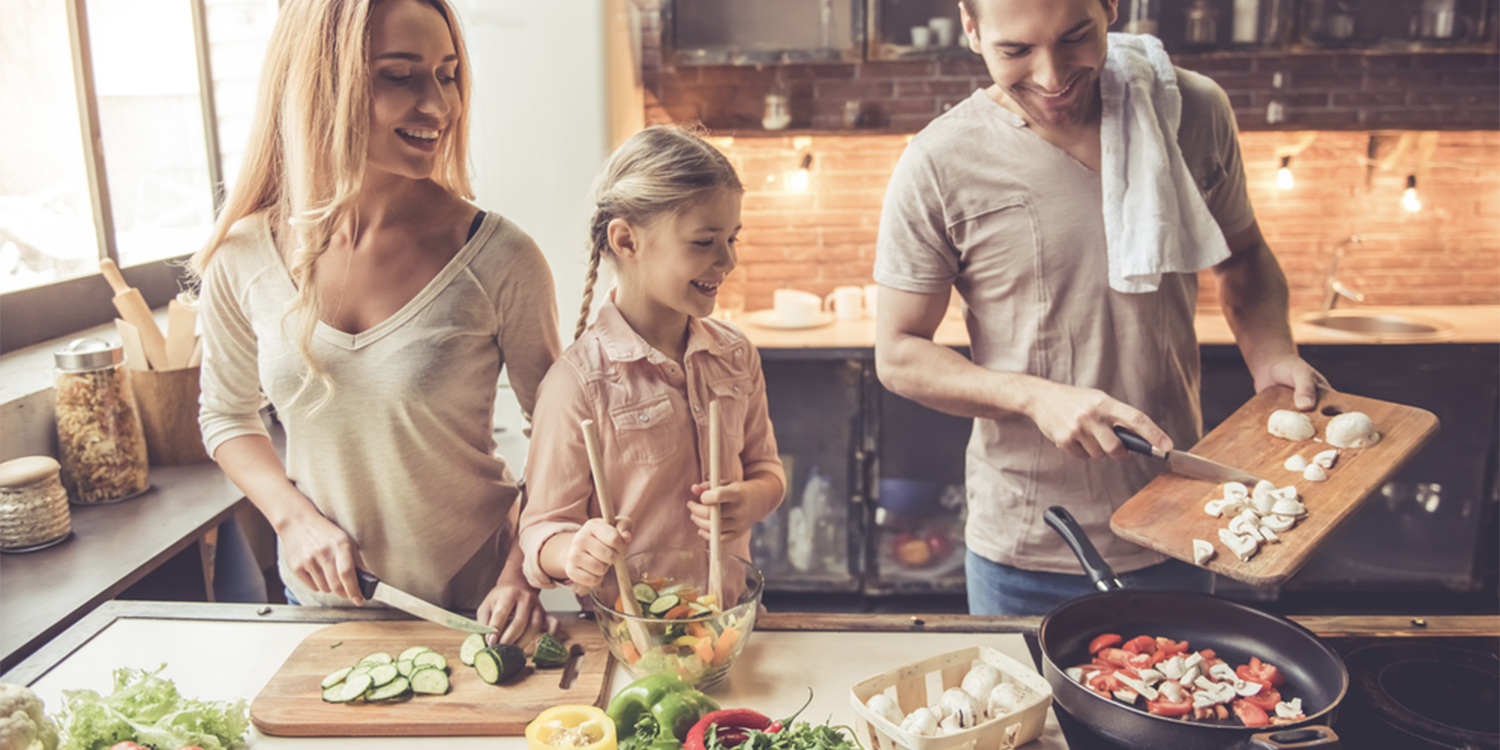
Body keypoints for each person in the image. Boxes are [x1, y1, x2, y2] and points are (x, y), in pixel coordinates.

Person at [873, 0, 1328, 616]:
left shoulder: (1190, 110)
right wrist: (1036, 396)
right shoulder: (938, 162)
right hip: (1028, 543)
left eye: (1076, 37)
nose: (1052, 76)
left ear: (1111, 7)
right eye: (1015, 51)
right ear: (972, 28)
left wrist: (1272, 351)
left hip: (1183, 520)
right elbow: (900, 354)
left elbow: (1242, 254)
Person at [194, 0, 560, 644]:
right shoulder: (241, 255)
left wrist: (522, 574)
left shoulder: (501, 256)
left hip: (481, 607)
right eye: (401, 76)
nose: (439, 106)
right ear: (323, 85)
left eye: (447, 74)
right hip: (323, 605)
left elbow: (564, 440)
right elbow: (226, 415)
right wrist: (293, 520)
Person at [518, 126, 785, 595]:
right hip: (634, 637)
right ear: (626, 242)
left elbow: (768, 470)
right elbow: (540, 531)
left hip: (730, 621)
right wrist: (573, 551)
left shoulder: (736, 356)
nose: (727, 260)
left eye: (732, 239)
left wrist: (753, 499)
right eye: (704, 242)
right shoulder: (576, 384)